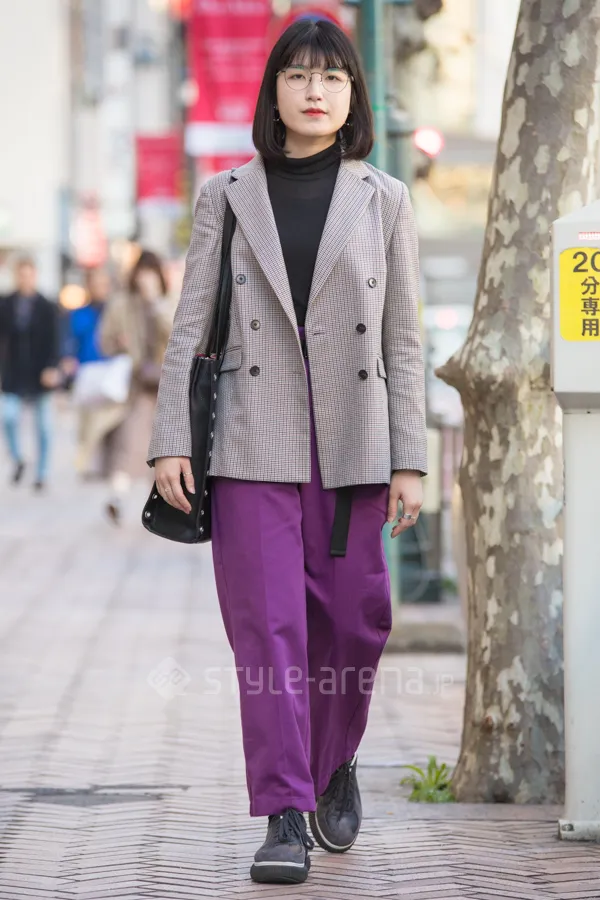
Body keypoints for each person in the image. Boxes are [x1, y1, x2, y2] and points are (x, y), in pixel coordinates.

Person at [148, 19, 427, 887]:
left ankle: (333, 760)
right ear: (273, 92)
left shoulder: (384, 198)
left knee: (355, 624)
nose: (315, 90)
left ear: (352, 96)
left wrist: (411, 458)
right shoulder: (227, 195)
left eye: (332, 77)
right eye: (298, 75)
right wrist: (170, 441)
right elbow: (190, 327)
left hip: (354, 445)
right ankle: (282, 813)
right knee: (268, 633)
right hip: (250, 441)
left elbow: (404, 340)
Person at [100, 250, 174, 524]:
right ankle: (117, 497)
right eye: (141, 273)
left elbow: (178, 336)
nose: (145, 279)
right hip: (138, 385)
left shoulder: (169, 301)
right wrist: (118, 344)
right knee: (131, 443)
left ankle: (157, 507)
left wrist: (156, 303)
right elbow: (104, 341)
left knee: (165, 448)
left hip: (168, 387)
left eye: (150, 273)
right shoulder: (122, 303)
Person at [0, 256, 61, 491]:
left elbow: (56, 339)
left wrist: (52, 366)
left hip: (40, 373)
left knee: (44, 426)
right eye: (21, 275)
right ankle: (18, 458)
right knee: (8, 416)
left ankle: (42, 473)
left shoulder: (47, 306)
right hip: (14, 373)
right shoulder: (6, 304)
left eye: (29, 275)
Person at [62, 267, 126, 479]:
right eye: (96, 284)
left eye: (104, 284)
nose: (100, 288)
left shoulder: (117, 312)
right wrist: (68, 359)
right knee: (88, 421)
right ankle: (88, 463)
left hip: (112, 373)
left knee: (111, 419)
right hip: (88, 373)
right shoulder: (79, 314)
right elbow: (70, 341)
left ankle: (109, 465)